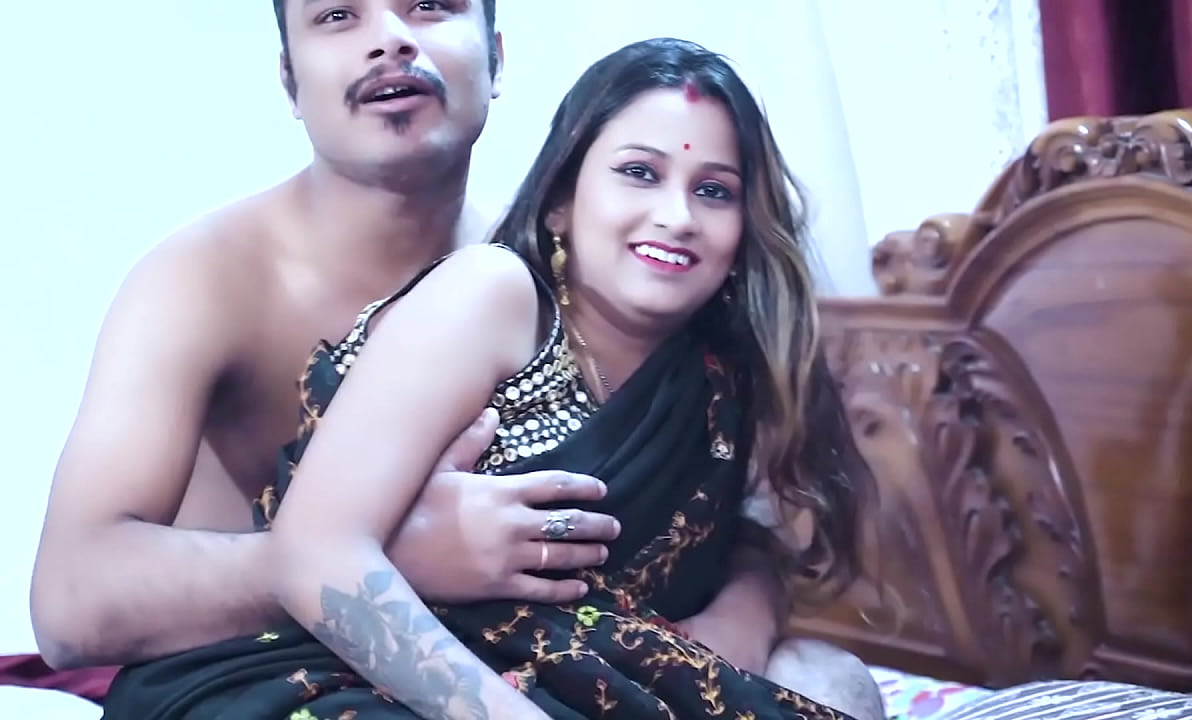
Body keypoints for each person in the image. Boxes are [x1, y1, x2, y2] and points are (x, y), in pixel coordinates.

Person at [96, 35, 883, 720]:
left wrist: (728, 636)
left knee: (838, 682)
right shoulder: (493, 293)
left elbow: (747, 543)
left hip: (588, 671)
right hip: (358, 665)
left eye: (713, 190)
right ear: (561, 203)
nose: (677, 215)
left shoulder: (722, 370)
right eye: (639, 173)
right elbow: (316, 550)